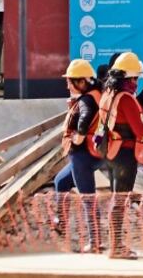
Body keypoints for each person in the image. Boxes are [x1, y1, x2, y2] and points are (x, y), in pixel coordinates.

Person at [97, 52, 143, 260]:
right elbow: (140, 130)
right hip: (125, 155)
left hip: (111, 152)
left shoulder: (109, 94)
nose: (136, 83)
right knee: (120, 200)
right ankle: (117, 247)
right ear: (124, 78)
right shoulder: (125, 99)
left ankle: (115, 244)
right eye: (134, 78)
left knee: (116, 198)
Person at [54, 59, 103, 254]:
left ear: (81, 82)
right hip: (89, 154)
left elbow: (84, 120)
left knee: (88, 198)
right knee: (61, 182)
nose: (67, 85)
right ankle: (61, 223)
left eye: (70, 81)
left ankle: (95, 241)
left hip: (82, 155)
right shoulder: (93, 96)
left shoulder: (87, 100)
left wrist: (77, 138)